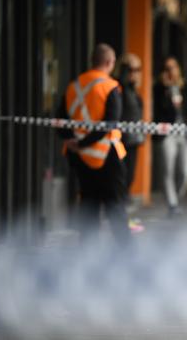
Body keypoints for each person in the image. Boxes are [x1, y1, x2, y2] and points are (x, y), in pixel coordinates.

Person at [56, 43, 131, 246]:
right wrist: (85, 143)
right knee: (115, 205)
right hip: (107, 155)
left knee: (89, 204)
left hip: (79, 158)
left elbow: (60, 120)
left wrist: (74, 142)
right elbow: (110, 123)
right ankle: (127, 251)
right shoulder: (110, 86)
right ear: (109, 62)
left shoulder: (74, 86)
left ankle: (86, 251)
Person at [153, 56, 187, 217]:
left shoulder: (186, 87)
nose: (171, 71)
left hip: (184, 133)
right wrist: (167, 90)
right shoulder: (159, 89)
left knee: (185, 171)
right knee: (167, 170)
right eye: (167, 68)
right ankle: (172, 205)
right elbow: (160, 111)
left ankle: (176, 200)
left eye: (173, 67)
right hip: (167, 134)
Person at [118, 53, 145, 194]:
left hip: (132, 140)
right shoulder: (119, 88)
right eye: (130, 69)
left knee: (129, 178)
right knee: (122, 179)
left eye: (138, 69)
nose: (135, 73)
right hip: (120, 141)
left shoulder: (133, 90)